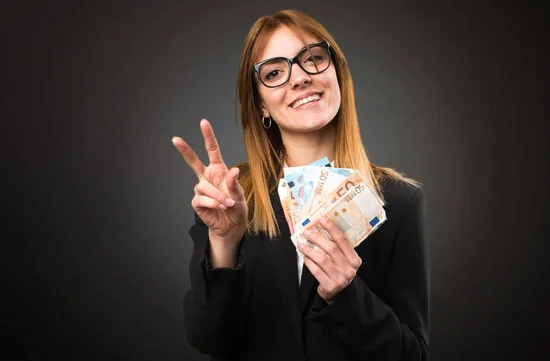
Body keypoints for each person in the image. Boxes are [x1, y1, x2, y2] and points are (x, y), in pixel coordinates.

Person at [171, 9, 429, 361]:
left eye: (313, 60)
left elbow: (411, 356)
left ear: (337, 75)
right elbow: (209, 338)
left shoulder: (399, 201)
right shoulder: (231, 196)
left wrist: (347, 294)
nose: (300, 78)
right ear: (261, 103)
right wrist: (224, 242)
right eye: (275, 72)